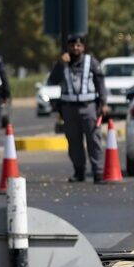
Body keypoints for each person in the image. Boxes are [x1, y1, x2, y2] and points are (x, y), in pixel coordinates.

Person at [48, 34, 108, 183]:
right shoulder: (63, 63)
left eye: (79, 45)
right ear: (68, 47)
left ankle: (98, 172)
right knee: (74, 142)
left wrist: (104, 103)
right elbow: (52, 80)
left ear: (83, 47)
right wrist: (59, 63)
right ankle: (79, 171)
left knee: (94, 140)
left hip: (89, 107)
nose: (76, 48)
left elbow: (100, 83)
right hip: (69, 109)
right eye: (73, 45)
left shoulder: (91, 62)